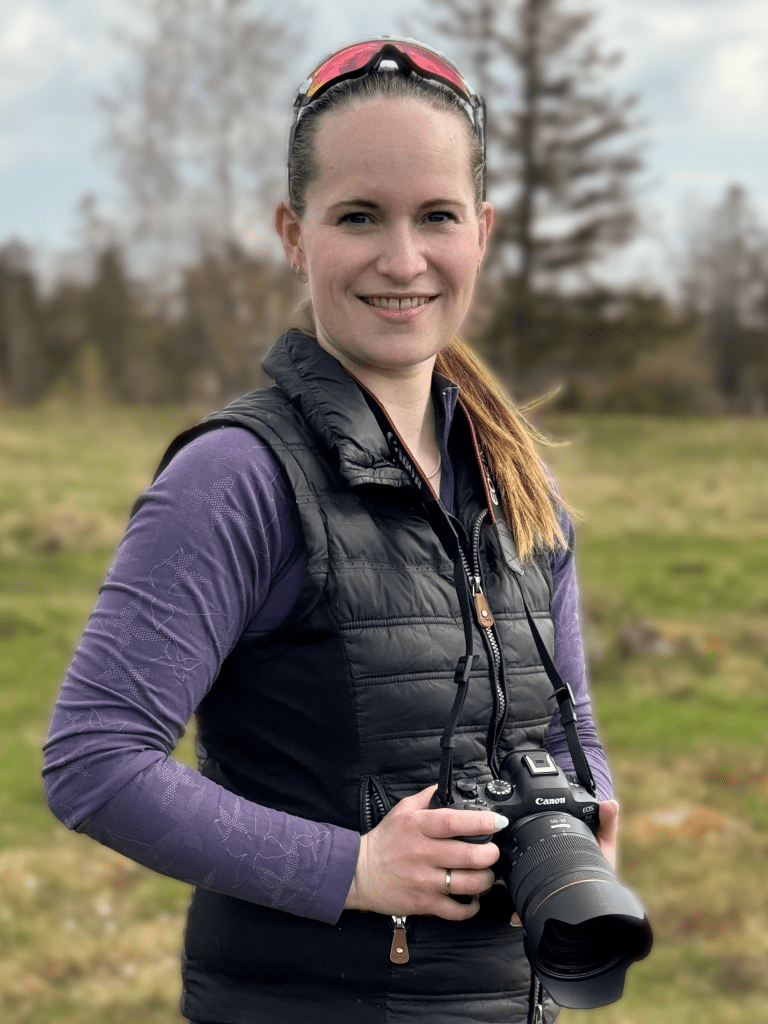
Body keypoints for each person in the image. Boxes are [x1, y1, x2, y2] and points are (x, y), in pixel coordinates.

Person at [43, 37, 619, 1024]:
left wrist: (582, 818)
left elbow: (574, 728)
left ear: (481, 230)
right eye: (359, 216)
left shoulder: (518, 479)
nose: (404, 259)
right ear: (294, 234)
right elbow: (95, 759)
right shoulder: (236, 477)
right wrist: (350, 868)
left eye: (437, 215)